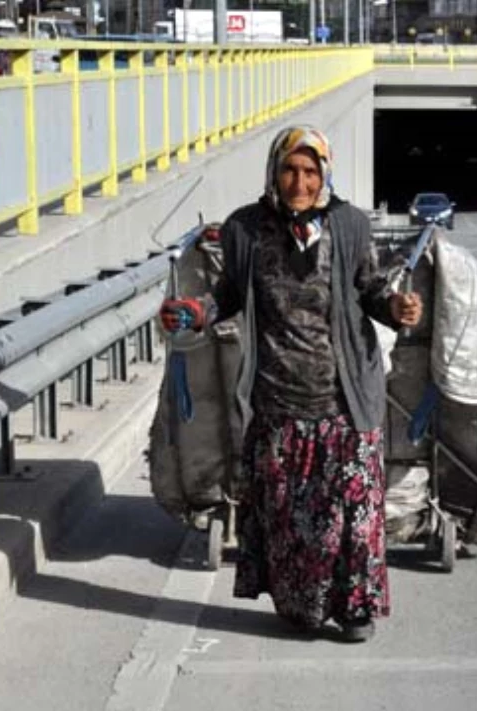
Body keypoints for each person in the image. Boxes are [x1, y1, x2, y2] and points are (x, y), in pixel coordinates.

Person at [160, 125, 423, 643]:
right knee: (292, 515)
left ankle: (354, 611)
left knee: (353, 513)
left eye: (310, 171)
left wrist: (395, 307)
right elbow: (228, 294)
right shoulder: (245, 230)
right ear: (274, 172)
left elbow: (370, 289)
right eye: (290, 170)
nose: (300, 181)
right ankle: (302, 606)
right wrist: (196, 311)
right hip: (278, 399)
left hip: (346, 397)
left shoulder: (349, 225)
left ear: (325, 173)